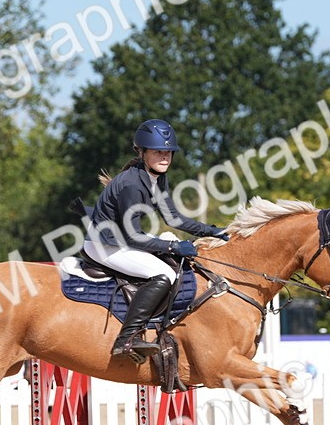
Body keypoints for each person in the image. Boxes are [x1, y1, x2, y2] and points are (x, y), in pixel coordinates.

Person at [84, 119, 229, 362]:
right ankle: (127, 338)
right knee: (164, 274)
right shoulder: (131, 184)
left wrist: (210, 231)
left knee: (170, 249)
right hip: (105, 245)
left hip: (122, 240)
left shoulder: (157, 178)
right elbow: (133, 236)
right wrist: (173, 246)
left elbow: (173, 217)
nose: (165, 157)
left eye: (168, 152)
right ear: (142, 153)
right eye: (158, 152)